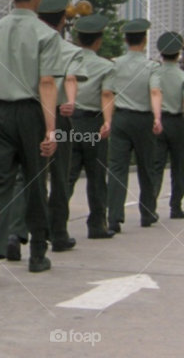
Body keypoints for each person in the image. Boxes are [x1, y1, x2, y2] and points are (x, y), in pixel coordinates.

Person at [0, 0, 61, 284]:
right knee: (35, 181)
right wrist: (51, 130)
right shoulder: (47, 35)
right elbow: (47, 83)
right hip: (31, 113)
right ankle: (37, 253)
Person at [35, 0, 87, 252]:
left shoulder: (26, 41)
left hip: (29, 114)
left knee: (28, 177)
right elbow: (70, 78)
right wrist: (71, 101)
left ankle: (17, 231)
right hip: (56, 114)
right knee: (59, 176)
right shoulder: (68, 50)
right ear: (62, 21)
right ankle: (57, 233)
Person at [106, 19, 163, 232]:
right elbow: (155, 92)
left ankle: (114, 217)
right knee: (146, 168)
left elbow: (108, 93)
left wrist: (108, 120)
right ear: (145, 40)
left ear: (125, 40)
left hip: (120, 119)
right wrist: (157, 117)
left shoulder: (114, 64)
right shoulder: (151, 66)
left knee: (117, 168)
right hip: (143, 120)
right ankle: (147, 213)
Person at [67, 13, 116, 239]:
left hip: (68, 123)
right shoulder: (106, 66)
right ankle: (97, 225)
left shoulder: (67, 59)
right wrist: (107, 121)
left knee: (67, 176)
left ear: (78, 39)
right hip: (93, 125)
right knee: (96, 177)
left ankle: (53, 222)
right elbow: (106, 94)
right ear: (99, 41)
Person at [151, 32, 184, 219]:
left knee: (155, 166)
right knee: (178, 167)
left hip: (157, 121)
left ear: (160, 53)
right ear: (179, 54)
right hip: (177, 123)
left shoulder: (153, 73)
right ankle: (175, 207)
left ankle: (150, 206)